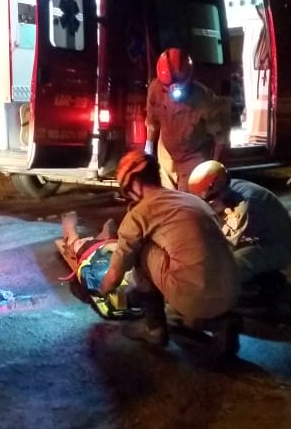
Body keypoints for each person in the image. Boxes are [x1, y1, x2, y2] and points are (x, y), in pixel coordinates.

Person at [99, 151, 241, 356]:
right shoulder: (191, 200)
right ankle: (219, 322)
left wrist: (104, 291)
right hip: (233, 290)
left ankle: (154, 328)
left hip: (196, 297)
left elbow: (115, 275)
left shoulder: (139, 214)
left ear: (135, 183)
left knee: (140, 250)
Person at [188, 160, 291, 289]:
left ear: (218, 191)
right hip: (259, 237)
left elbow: (226, 244)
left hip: (279, 245)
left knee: (226, 268)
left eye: (207, 200)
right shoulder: (227, 189)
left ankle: (245, 295)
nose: (206, 204)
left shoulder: (247, 203)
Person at [144, 48, 230, 191]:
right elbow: (152, 122)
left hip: (192, 155)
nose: (173, 89)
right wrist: (148, 147)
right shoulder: (155, 89)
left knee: (188, 200)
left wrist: (213, 167)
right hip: (166, 151)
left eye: (178, 84)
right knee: (168, 198)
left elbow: (220, 137)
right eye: (168, 86)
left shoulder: (203, 98)